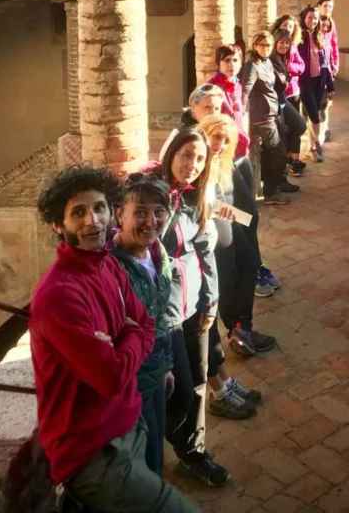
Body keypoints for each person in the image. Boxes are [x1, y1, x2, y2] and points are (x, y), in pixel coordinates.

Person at [30, 165, 198, 512]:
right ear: (58, 225)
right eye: (78, 212)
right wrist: (131, 333)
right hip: (92, 451)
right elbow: (111, 376)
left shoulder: (106, 265)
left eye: (99, 208)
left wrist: (125, 336)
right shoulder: (59, 294)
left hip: (127, 421)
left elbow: (146, 324)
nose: (93, 221)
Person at [159, 128, 230, 487]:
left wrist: (212, 300)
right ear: (171, 152)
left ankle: (194, 452)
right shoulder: (151, 196)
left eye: (200, 158)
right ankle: (174, 445)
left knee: (199, 381)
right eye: (187, 154)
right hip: (164, 318)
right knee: (180, 389)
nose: (192, 164)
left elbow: (206, 252)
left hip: (196, 308)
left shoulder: (196, 198)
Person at [110, 173, 175, 475]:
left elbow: (159, 318)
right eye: (140, 212)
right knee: (143, 461)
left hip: (156, 370)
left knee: (156, 451)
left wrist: (166, 367)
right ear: (119, 214)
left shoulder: (157, 252)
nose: (151, 221)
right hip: (131, 385)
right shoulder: (111, 269)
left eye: (158, 212)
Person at [199, 113, 278, 361]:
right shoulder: (198, 161)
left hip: (233, 226)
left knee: (249, 268)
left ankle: (244, 327)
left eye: (224, 139)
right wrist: (241, 219)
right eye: (214, 137)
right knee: (229, 281)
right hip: (219, 234)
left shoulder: (225, 160)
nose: (219, 144)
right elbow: (206, 205)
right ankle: (236, 331)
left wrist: (245, 220)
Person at [240, 30, 293, 203]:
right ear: (255, 46)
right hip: (261, 117)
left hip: (272, 113)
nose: (266, 48)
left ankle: (271, 187)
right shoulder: (252, 65)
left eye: (268, 45)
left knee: (274, 153)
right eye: (262, 45)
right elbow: (244, 91)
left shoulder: (267, 62)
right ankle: (271, 192)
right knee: (277, 152)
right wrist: (241, 116)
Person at [298, 4, 334, 163]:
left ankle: (313, 145)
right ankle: (315, 145)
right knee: (314, 115)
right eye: (310, 17)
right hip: (305, 82)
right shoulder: (299, 37)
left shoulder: (320, 35)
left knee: (315, 113)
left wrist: (330, 84)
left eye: (315, 18)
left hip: (319, 81)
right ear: (304, 18)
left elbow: (325, 61)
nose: (313, 21)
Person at [272, 29, 307, 175]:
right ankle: (289, 163)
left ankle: (291, 160)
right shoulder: (272, 60)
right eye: (281, 42)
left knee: (297, 127)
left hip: (284, 99)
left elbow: (301, 66)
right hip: (276, 103)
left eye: (287, 43)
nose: (284, 45)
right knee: (297, 126)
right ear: (275, 43)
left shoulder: (283, 58)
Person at [317, 0, 340, 140]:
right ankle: (317, 130)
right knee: (317, 101)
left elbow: (334, 44)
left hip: (328, 68)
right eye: (325, 5)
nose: (328, 9)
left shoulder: (331, 23)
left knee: (327, 101)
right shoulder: (314, 21)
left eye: (330, 6)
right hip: (316, 68)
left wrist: (335, 63)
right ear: (319, 6)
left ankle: (325, 129)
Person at [207, 43, 243, 123]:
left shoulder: (238, 85)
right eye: (227, 60)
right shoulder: (211, 87)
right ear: (218, 64)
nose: (232, 64)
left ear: (240, 64)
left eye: (235, 60)